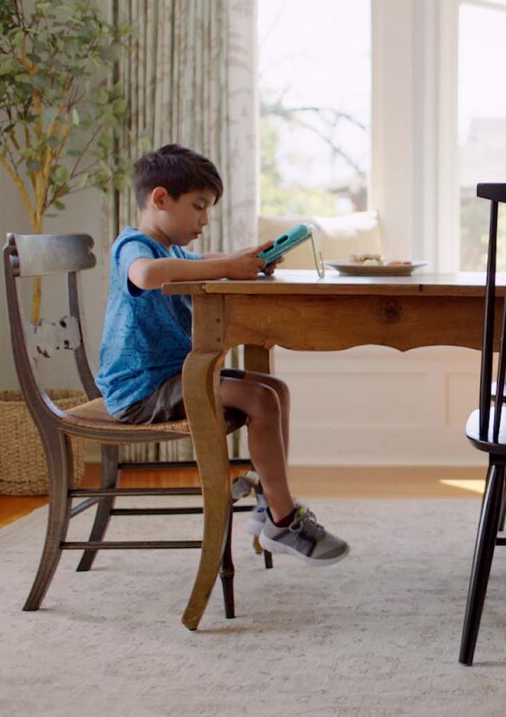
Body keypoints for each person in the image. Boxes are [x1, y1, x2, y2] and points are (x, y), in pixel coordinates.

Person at [96, 143, 349, 566]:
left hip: (171, 379)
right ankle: (283, 519)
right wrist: (226, 267)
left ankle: (271, 502)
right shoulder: (134, 246)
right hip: (141, 390)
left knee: (274, 389)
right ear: (160, 199)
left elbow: (202, 260)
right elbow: (146, 275)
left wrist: (241, 260)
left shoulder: (171, 250)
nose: (204, 219)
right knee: (260, 398)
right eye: (198, 206)